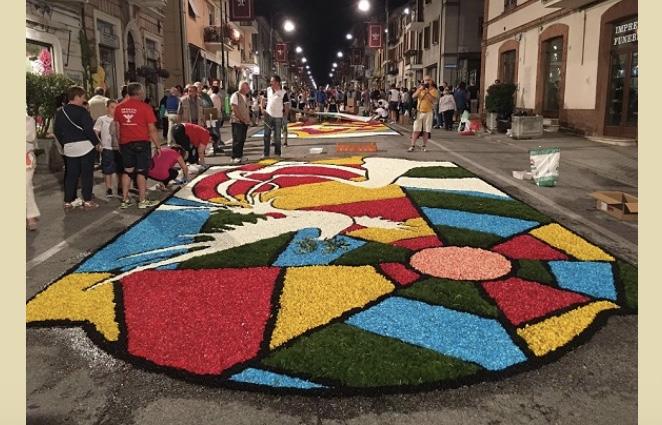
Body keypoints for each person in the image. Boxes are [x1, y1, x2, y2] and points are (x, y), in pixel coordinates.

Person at [114, 82, 161, 209]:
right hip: (142, 142)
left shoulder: (119, 107)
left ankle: (125, 200)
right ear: (140, 93)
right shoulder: (145, 107)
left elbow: (117, 128)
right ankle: (142, 200)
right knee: (141, 171)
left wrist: (120, 143)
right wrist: (158, 146)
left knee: (127, 170)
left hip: (125, 143)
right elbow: (152, 129)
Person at [53, 86, 101, 209]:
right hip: (86, 147)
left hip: (69, 148)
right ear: (77, 97)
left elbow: (57, 131)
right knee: (86, 175)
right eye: (83, 97)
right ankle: (87, 200)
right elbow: (88, 130)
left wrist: (65, 143)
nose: (84, 100)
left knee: (71, 175)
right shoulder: (82, 111)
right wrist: (96, 143)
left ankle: (68, 201)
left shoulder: (60, 112)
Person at [94, 99, 124, 199]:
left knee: (120, 169)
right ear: (107, 108)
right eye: (112, 107)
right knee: (108, 170)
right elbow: (95, 131)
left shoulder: (120, 119)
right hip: (107, 148)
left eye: (116, 108)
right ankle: (109, 188)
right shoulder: (102, 119)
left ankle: (120, 187)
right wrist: (98, 142)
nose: (114, 110)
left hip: (119, 148)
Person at [262, 75, 290, 159]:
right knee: (266, 135)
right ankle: (266, 154)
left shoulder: (283, 92)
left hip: (278, 116)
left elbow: (286, 105)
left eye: (272, 81)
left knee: (277, 136)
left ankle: (277, 153)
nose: (271, 83)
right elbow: (263, 99)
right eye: (271, 81)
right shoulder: (268, 90)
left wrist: (285, 116)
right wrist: (262, 109)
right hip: (268, 115)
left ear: (277, 82)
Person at [408, 76, 438, 152]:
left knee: (426, 130)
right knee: (416, 130)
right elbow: (413, 96)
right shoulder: (420, 88)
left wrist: (427, 92)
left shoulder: (434, 90)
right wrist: (420, 89)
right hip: (419, 112)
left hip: (428, 112)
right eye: (425, 80)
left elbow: (433, 100)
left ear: (431, 81)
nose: (427, 82)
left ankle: (424, 146)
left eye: (428, 80)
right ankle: (412, 145)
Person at [230, 81, 252, 164]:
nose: (248, 89)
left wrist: (248, 119)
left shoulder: (246, 96)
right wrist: (242, 119)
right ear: (242, 87)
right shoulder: (235, 95)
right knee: (237, 139)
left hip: (245, 121)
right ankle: (235, 156)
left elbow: (247, 109)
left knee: (242, 139)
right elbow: (235, 109)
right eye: (247, 87)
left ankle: (240, 155)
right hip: (237, 121)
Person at [26, 114, 40, 230]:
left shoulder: (28, 120)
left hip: (26, 158)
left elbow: (30, 136)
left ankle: (30, 216)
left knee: (25, 186)